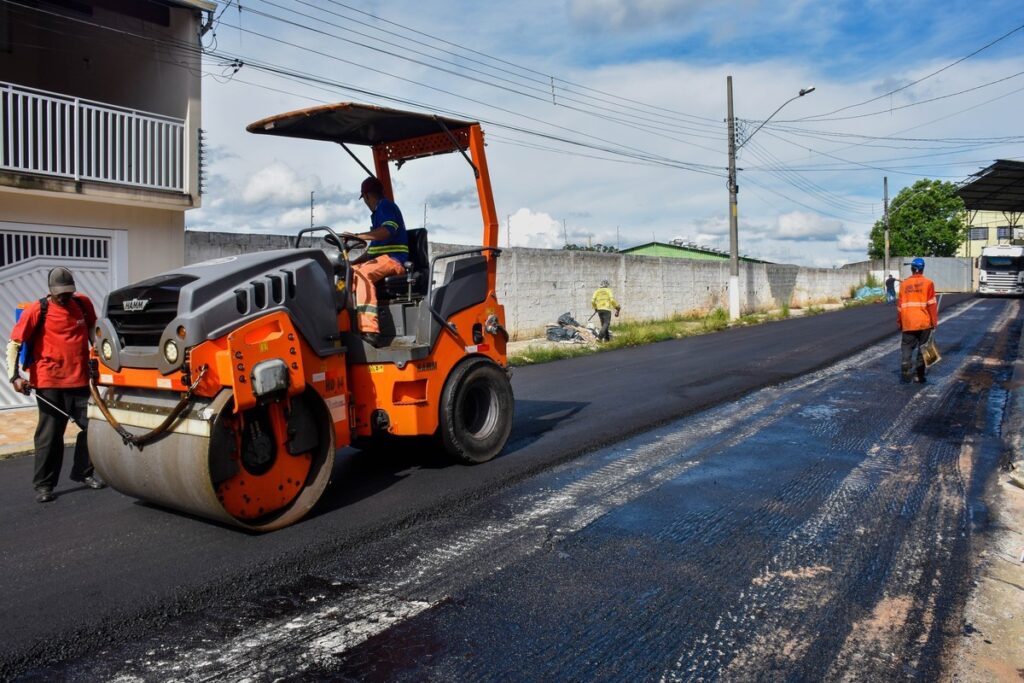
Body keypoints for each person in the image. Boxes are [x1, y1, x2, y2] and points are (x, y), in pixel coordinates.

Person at [6, 267, 105, 502]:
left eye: (68, 292)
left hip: (80, 380)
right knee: (50, 437)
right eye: (60, 293)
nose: (65, 297)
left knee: (93, 429)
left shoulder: (82, 304)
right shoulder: (37, 310)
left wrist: (97, 351)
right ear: (51, 291)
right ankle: (44, 485)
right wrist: (15, 377)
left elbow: (92, 328)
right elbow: (14, 343)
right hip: (49, 383)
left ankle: (83, 473)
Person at [343, 176, 409, 347]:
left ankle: (370, 330)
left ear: (366, 196)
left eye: (364, 199)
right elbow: (371, 252)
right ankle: (347, 323)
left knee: (364, 274)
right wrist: (349, 264)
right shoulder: (377, 216)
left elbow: (388, 231)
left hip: (395, 260)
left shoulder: (386, 207)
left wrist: (357, 236)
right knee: (348, 272)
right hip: (381, 260)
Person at [896, 257, 938, 384]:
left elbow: (899, 306)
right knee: (924, 348)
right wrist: (934, 322)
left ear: (911, 269)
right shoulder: (928, 283)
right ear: (922, 269)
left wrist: (900, 322)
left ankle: (905, 362)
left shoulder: (904, 284)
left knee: (907, 345)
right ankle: (919, 376)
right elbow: (931, 304)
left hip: (908, 321)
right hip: (924, 322)